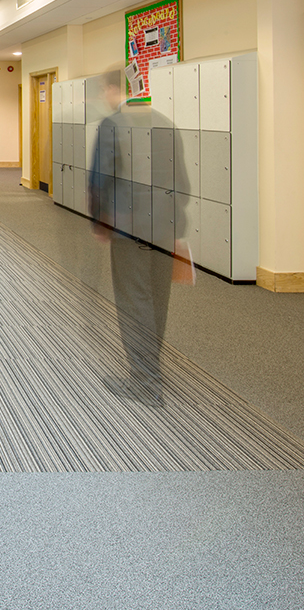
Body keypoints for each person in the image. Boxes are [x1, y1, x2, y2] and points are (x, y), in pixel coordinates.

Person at [88, 68, 190, 407]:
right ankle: (151, 369)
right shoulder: (166, 123)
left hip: (130, 228)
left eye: (105, 90)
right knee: (156, 300)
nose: (104, 96)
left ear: (116, 89)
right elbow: (183, 185)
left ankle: (146, 382)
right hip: (165, 227)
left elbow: (100, 180)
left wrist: (99, 222)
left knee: (134, 301)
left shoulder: (112, 126)